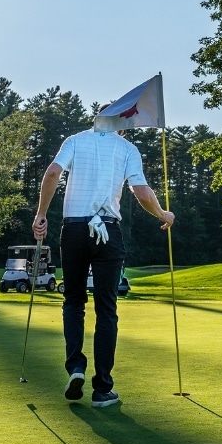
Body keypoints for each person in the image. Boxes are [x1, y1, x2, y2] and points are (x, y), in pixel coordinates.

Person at [32, 116, 174, 408]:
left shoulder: (74, 140)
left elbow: (51, 174)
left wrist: (41, 215)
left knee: (73, 301)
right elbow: (141, 192)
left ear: (97, 120)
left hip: (73, 229)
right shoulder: (127, 148)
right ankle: (102, 389)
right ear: (121, 125)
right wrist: (163, 214)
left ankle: (76, 368)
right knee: (106, 308)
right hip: (107, 230)